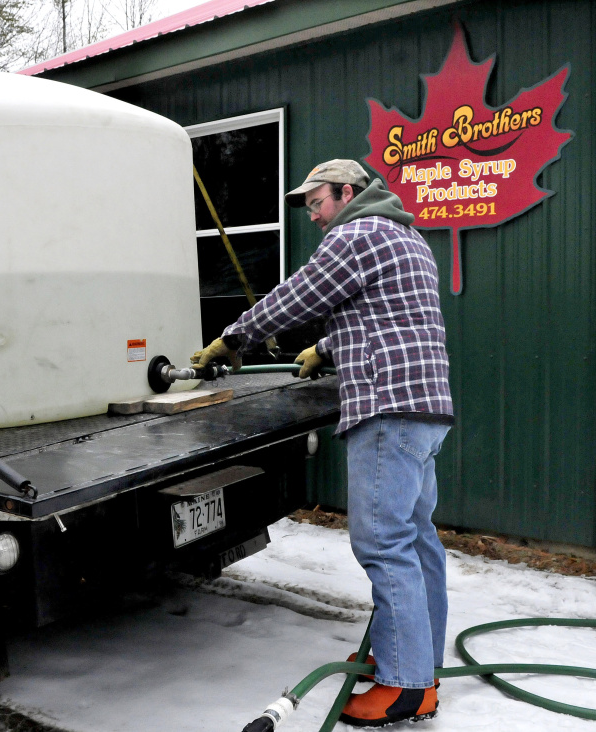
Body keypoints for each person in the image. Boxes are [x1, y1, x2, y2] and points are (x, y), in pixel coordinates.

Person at [191, 159, 453, 727]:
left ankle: (406, 688)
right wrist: (328, 350)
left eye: (317, 202)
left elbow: (299, 296)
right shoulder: (407, 237)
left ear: (348, 192)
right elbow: (389, 319)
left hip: (386, 410)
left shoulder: (356, 234)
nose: (313, 215)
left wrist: (233, 339)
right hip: (425, 412)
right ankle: (419, 662)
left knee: (383, 546)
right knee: (417, 540)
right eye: (307, 207)